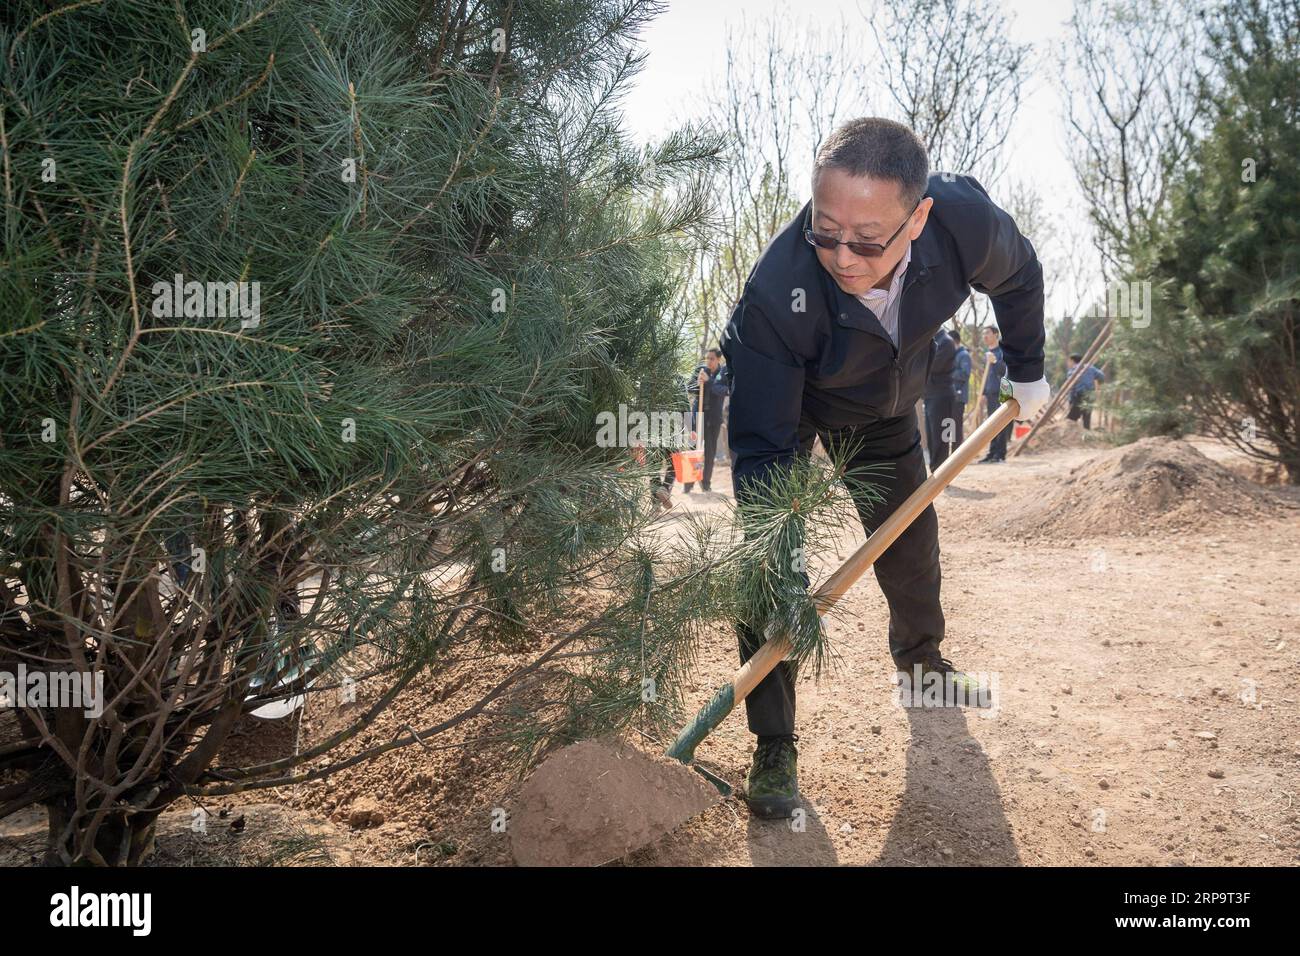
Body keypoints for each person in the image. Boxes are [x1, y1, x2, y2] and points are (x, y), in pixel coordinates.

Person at [722, 117, 1049, 818]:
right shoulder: (777, 296)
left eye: (869, 240)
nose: (843, 256)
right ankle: (774, 741)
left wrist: (1029, 370)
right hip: (795, 405)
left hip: (885, 409)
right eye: (825, 229)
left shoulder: (965, 224)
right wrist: (776, 547)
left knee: (911, 542)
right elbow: (761, 453)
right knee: (764, 563)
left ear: (919, 217)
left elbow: (1020, 278)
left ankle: (921, 662)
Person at [683, 348, 731, 494]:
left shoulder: (723, 373)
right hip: (698, 416)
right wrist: (698, 383)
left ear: (718, 360)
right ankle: (689, 483)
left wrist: (709, 382)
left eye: (712, 358)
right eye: (707, 358)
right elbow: (689, 388)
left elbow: (725, 390)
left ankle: (706, 483)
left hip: (714, 417)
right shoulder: (700, 370)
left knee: (710, 451)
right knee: (693, 449)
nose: (708, 361)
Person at [923, 327, 958, 472]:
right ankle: (934, 470)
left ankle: (942, 472)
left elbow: (932, 366)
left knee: (941, 437)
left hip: (942, 396)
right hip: (930, 395)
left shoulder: (946, 342)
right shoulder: (932, 339)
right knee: (932, 436)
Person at [976, 326, 1013, 463]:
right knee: (991, 424)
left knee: (1000, 423)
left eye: (987, 333)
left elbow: (1004, 371)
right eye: (983, 333)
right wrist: (984, 393)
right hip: (991, 393)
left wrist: (995, 362)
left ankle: (1000, 454)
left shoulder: (1002, 351)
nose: (984, 335)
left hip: (1002, 392)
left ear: (996, 334)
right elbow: (987, 375)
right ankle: (992, 453)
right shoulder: (988, 353)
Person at [1065, 352, 1105, 430]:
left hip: (1079, 396)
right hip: (1090, 395)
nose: (1068, 363)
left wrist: (1070, 401)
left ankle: (1071, 436)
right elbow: (1101, 376)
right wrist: (1096, 383)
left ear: (1072, 361)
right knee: (1087, 417)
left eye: (1069, 361)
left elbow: (1072, 388)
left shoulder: (1072, 371)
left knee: (1071, 418)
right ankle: (1086, 435)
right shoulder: (1090, 367)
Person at [949, 328, 971, 447]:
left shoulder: (963, 355)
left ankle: (956, 453)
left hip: (959, 396)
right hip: (951, 396)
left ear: (954, 341)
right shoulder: (954, 354)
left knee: (956, 426)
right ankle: (950, 453)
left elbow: (964, 374)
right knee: (949, 425)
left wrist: (947, 372)